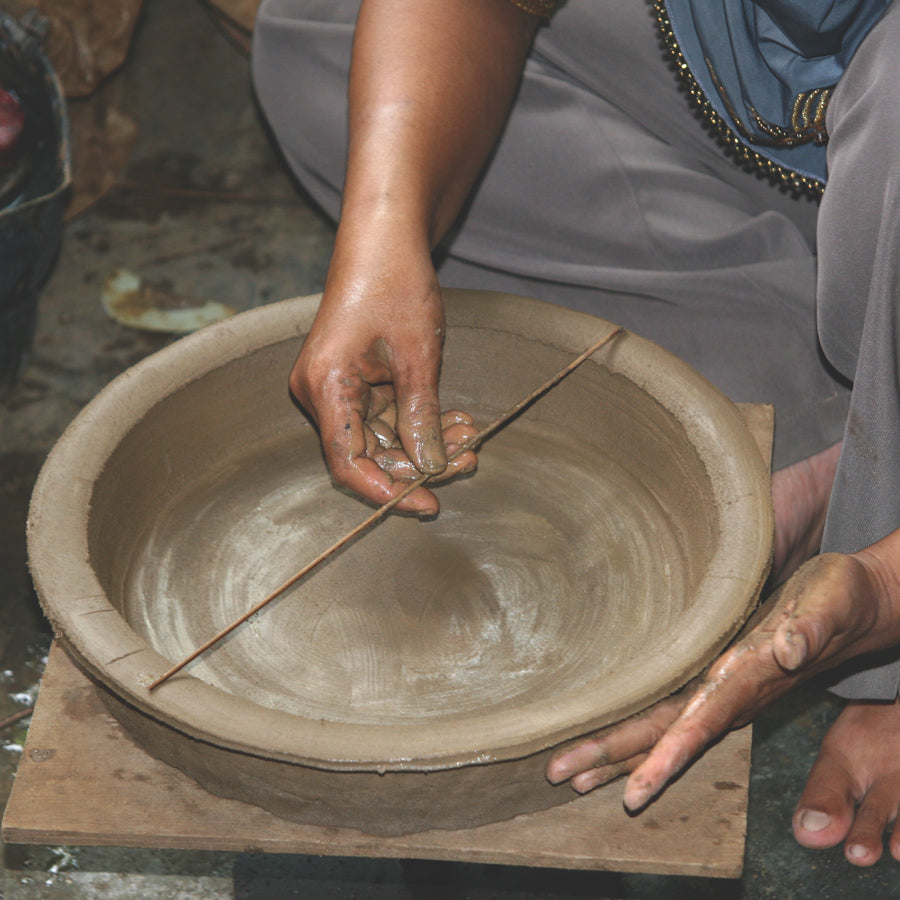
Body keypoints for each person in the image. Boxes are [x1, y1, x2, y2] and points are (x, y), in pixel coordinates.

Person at [251, 0, 900, 866]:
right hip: (764, 89)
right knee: (323, 31)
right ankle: (843, 416)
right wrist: (383, 237)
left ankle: (871, 496)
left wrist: (885, 598)